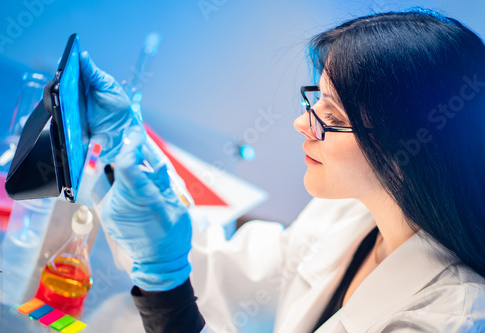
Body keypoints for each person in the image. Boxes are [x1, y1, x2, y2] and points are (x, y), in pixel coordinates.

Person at [81, 8, 485, 333]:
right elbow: (232, 285)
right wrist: (129, 148)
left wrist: (164, 285)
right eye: (317, 101)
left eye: (333, 115)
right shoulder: (350, 214)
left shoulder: (448, 319)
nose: (303, 123)